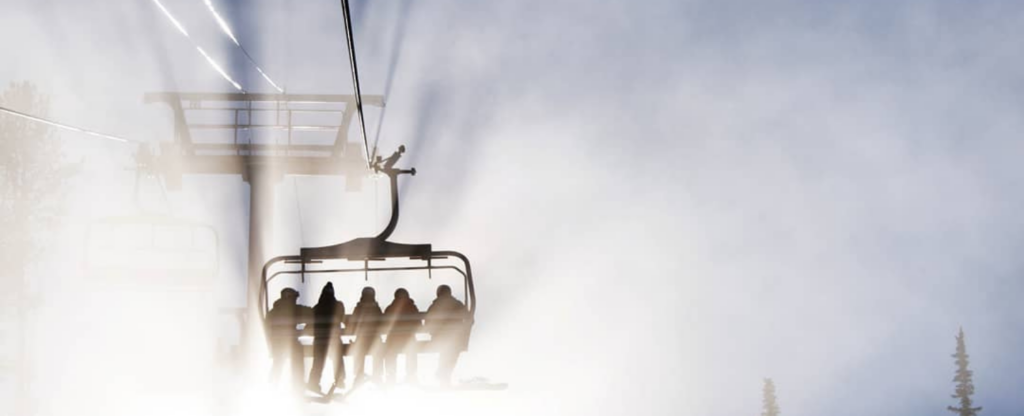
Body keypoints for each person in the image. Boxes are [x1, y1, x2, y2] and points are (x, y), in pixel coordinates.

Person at [266, 287, 312, 390]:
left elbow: (266, 326)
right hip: (290, 342)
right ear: (289, 298)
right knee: (298, 354)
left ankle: (273, 381)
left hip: (276, 343)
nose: (295, 300)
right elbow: (310, 313)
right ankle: (298, 382)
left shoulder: (273, 311)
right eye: (294, 298)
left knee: (278, 361)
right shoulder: (294, 309)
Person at [425, 285, 470, 386]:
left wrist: (432, 332)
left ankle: (443, 374)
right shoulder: (458, 304)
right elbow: (469, 318)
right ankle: (444, 374)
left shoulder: (435, 306)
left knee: (446, 352)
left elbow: (427, 322)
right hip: (455, 338)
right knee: (452, 353)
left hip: (439, 338)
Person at [307, 282, 346, 394]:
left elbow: (310, 323)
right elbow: (342, 317)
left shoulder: (317, 307)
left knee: (318, 361)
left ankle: (313, 382)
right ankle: (340, 380)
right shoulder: (338, 305)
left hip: (320, 340)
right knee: (338, 359)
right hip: (333, 339)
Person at [383, 288, 421, 384]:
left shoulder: (390, 308)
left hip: (393, 340)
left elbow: (384, 325)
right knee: (411, 348)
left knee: (390, 352)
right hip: (408, 339)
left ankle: (390, 374)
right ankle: (411, 374)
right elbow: (418, 324)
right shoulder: (412, 307)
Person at [347, 286, 384, 384]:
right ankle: (377, 374)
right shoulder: (376, 308)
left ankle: (359, 375)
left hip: (362, 338)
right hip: (374, 338)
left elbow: (353, 323)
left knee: (359, 349)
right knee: (378, 350)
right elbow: (381, 322)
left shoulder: (359, 307)